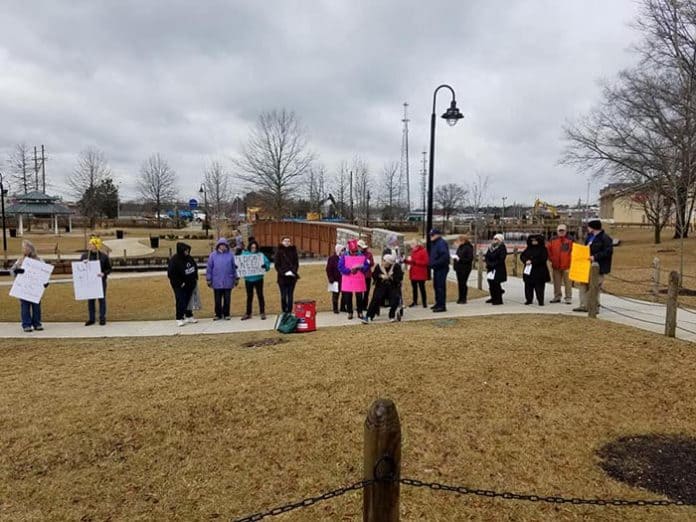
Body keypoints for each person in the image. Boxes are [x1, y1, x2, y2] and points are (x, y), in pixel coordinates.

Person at [573, 220, 613, 312]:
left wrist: (595, 257)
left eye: (589, 227)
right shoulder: (589, 237)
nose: (588, 229)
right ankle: (584, 305)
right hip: (586, 266)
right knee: (583, 285)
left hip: (598, 267)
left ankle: (594, 307)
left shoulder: (605, 238)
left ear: (593, 227)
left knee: (594, 287)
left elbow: (608, 252)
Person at [10, 240, 47, 332]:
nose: (24, 250)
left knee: (36, 306)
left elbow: (45, 272)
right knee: (25, 307)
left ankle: (37, 323)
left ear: (31, 248)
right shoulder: (20, 260)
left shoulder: (39, 260)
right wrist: (16, 272)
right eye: (23, 248)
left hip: (35, 289)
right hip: (23, 289)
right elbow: (12, 270)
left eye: (26, 248)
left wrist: (45, 282)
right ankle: (26, 324)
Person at [362, 254, 404, 323]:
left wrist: (391, 277)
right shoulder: (379, 267)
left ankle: (392, 315)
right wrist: (380, 276)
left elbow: (399, 277)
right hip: (381, 286)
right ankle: (369, 316)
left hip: (392, 286)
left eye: (385, 262)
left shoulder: (396, 267)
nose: (383, 263)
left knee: (396, 297)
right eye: (383, 261)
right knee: (376, 298)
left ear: (389, 263)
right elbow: (374, 276)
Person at [80, 236, 112, 326]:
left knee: (101, 299)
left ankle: (102, 318)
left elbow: (109, 269)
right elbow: (80, 268)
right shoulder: (85, 256)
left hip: (100, 281)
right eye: (89, 244)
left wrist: (104, 273)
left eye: (91, 244)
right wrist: (83, 264)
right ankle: (91, 318)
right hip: (89, 282)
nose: (89, 245)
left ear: (96, 246)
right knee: (91, 300)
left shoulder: (103, 257)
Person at [206, 237, 238, 320]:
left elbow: (234, 267)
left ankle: (226, 313)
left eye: (224, 245)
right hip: (217, 281)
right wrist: (208, 279)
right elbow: (209, 268)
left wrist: (236, 278)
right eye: (221, 245)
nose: (223, 247)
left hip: (228, 280)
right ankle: (218, 314)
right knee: (217, 299)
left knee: (227, 299)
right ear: (218, 246)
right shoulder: (213, 255)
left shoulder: (231, 255)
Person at [168, 241, 199, 327]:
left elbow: (194, 267)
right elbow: (171, 274)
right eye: (185, 251)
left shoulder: (189, 258)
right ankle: (179, 318)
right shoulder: (174, 261)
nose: (187, 252)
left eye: (188, 250)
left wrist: (195, 277)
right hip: (179, 285)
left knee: (189, 300)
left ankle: (189, 315)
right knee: (180, 300)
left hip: (190, 283)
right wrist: (180, 283)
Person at [339, 238, 370, 319]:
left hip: (358, 278)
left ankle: (360, 312)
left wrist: (361, 268)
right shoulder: (344, 256)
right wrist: (349, 270)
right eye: (353, 252)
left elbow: (367, 265)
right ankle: (350, 312)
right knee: (348, 296)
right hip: (348, 278)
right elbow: (340, 266)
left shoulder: (361, 255)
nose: (354, 253)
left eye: (355, 251)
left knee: (359, 296)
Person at [241, 240, 271, 320]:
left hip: (258, 278)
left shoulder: (260, 255)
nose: (253, 249)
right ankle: (248, 313)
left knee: (260, 295)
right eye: (252, 247)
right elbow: (240, 264)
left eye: (255, 247)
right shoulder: (245, 254)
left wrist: (265, 266)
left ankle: (262, 312)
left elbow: (267, 264)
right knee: (249, 296)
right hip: (248, 279)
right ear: (249, 247)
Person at [520, 234, 550, 306]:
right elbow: (522, 256)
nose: (533, 242)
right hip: (529, 271)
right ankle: (529, 299)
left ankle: (540, 300)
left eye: (535, 240)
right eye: (532, 240)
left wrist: (532, 261)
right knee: (528, 286)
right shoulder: (528, 248)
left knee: (539, 287)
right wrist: (525, 260)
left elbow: (543, 259)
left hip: (539, 271)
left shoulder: (543, 249)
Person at [547, 224, 574, 304]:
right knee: (556, 282)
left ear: (566, 231)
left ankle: (568, 297)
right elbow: (548, 250)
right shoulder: (552, 240)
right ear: (557, 231)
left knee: (568, 283)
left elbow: (574, 251)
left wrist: (571, 261)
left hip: (567, 265)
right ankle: (557, 296)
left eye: (563, 230)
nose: (561, 232)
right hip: (556, 265)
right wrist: (551, 259)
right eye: (560, 230)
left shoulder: (570, 240)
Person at [275, 236, 299, 314]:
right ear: (282, 242)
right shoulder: (279, 252)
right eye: (285, 241)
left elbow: (296, 263)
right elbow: (277, 265)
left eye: (288, 241)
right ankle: (284, 310)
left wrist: (293, 271)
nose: (287, 242)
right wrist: (283, 273)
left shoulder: (293, 251)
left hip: (291, 277)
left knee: (290, 295)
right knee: (283, 295)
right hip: (282, 278)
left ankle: (289, 310)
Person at [428, 229, 450, 312]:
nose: (431, 236)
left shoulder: (441, 243)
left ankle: (442, 305)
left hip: (441, 268)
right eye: (430, 235)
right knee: (436, 286)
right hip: (436, 268)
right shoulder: (434, 243)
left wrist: (434, 263)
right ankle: (438, 303)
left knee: (440, 287)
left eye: (432, 235)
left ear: (437, 235)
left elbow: (444, 257)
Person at [404, 239, 428, 308]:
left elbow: (426, 262)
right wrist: (406, 261)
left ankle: (424, 302)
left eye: (412, 244)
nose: (411, 245)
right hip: (413, 273)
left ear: (416, 244)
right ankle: (414, 301)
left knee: (422, 288)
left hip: (421, 273)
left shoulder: (423, 251)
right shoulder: (413, 252)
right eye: (411, 244)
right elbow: (412, 262)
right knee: (414, 288)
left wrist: (416, 262)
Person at [484, 234, 508, 305]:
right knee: (491, 283)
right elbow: (487, 256)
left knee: (496, 284)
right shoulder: (490, 247)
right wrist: (488, 263)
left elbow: (501, 258)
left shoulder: (502, 247)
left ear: (500, 240)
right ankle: (493, 297)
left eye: (496, 239)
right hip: (490, 268)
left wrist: (493, 264)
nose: (495, 240)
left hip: (498, 268)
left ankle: (498, 300)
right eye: (494, 239)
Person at [452, 234, 474, 304]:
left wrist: (460, 259)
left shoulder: (468, 247)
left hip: (465, 267)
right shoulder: (460, 247)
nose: (458, 242)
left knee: (463, 283)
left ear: (463, 240)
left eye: (459, 240)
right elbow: (458, 254)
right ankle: (460, 297)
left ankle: (464, 298)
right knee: (460, 283)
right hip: (459, 267)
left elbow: (470, 258)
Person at [358, 239, 375, 313]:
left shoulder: (369, 254)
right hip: (359, 276)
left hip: (367, 275)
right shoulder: (357, 254)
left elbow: (372, 263)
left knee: (366, 292)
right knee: (359, 292)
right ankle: (360, 306)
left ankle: (364, 305)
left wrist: (366, 263)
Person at [326, 244, 344, 314]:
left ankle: (343, 307)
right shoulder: (332, 258)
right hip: (335, 279)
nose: (343, 252)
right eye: (342, 250)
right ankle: (335, 308)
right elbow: (328, 269)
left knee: (345, 294)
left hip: (343, 279)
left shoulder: (344, 258)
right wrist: (330, 277)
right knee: (335, 295)